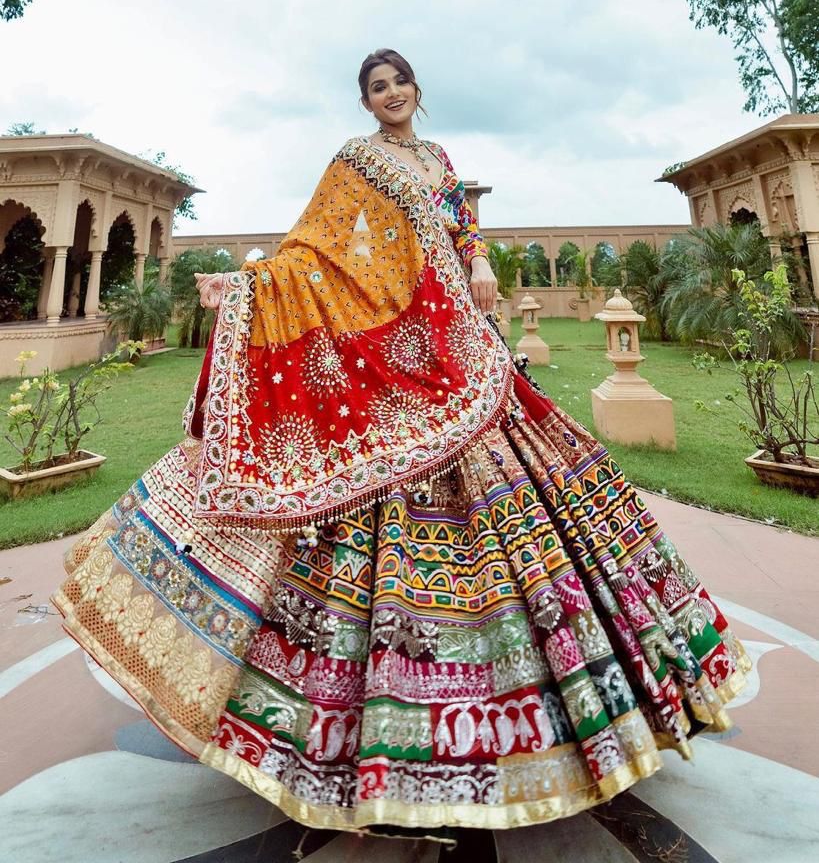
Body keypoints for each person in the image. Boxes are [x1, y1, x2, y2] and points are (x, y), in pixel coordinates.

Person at [53, 48, 751, 837]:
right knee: (368, 478)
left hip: (458, 340)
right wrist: (253, 284)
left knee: (528, 467)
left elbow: (463, 229)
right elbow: (315, 250)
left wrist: (478, 259)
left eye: (398, 82)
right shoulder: (356, 161)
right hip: (393, 340)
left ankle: (598, 695)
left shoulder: (438, 160)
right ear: (365, 103)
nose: (390, 94)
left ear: (417, 88)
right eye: (376, 87)